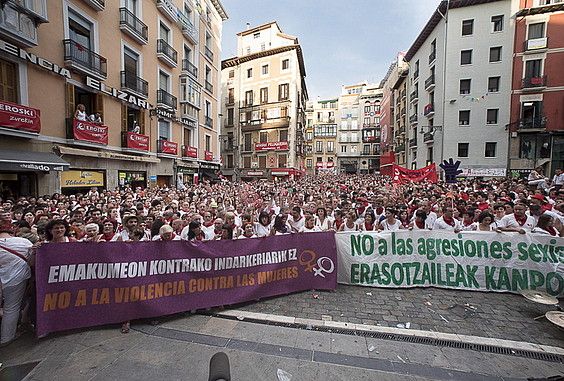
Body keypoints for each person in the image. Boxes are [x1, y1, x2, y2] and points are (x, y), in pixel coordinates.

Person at [0, 226, 32, 346]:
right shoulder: (23, 242)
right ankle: (6, 338)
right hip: (16, 279)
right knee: (11, 308)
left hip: (6, 278)